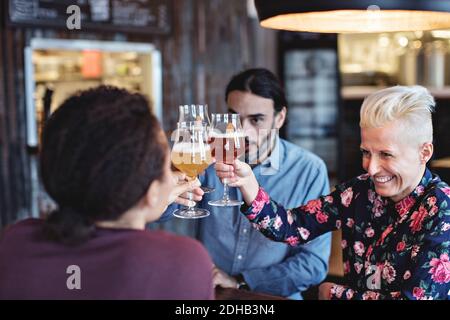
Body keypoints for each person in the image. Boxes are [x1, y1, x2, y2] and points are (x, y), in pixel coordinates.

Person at [215, 85, 450, 300]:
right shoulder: (358, 191)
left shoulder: (442, 210)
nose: (371, 167)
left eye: (386, 154)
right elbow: (292, 226)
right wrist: (248, 183)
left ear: (424, 152)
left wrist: (335, 294)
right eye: (366, 152)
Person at [0, 86, 214, 299]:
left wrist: (143, 204)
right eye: (167, 168)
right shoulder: (182, 261)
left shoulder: (15, 242)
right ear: (151, 191)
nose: (171, 176)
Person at [164, 68, 332, 299]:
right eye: (234, 117)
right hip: (209, 293)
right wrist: (167, 182)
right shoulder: (208, 157)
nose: (242, 131)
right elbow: (163, 211)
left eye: (256, 119)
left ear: (280, 118)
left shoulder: (309, 170)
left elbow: (313, 264)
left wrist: (242, 282)